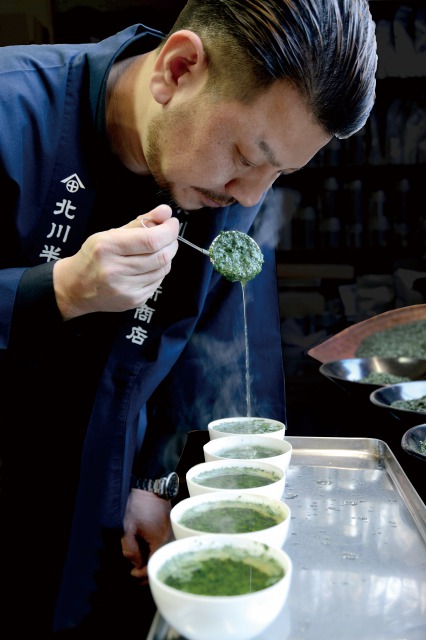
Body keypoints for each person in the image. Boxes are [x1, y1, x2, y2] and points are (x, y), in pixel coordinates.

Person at [0, 0, 377, 636]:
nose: (250, 194)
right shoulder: (11, 110)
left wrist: (158, 476)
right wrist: (58, 289)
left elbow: (217, 344)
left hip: (104, 506)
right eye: (247, 154)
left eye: (280, 173)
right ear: (177, 70)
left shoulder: (230, 190)